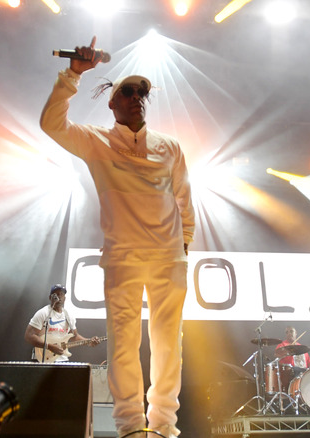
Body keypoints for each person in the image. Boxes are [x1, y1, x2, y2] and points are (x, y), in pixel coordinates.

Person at [40, 36, 195, 438]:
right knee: (123, 346)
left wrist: (184, 246)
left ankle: (162, 428)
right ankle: (130, 429)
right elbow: (51, 124)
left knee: (168, 346)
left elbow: (184, 200)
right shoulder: (97, 141)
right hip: (122, 259)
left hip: (168, 260)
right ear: (112, 102)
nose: (137, 97)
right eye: (127, 91)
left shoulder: (171, 147)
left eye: (142, 92)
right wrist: (73, 75)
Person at [24, 284, 101, 363]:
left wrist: (89, 341)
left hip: (62, 360)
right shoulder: (43, 313)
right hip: (43, 358)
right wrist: (49, 346)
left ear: (65, 298)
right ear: (50, 297)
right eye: (56, 294)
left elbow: (74, 336)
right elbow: (29, 335)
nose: (59, 297)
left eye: (61, 294)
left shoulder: (68, 316)